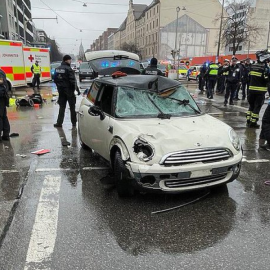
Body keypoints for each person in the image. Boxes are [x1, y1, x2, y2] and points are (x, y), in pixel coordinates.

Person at [53, 55, 81, 128]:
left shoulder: (57, 69)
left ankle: (59, 123)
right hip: (69, 91)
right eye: (70, 60)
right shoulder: (69, 69)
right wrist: (76, 90)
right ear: (67, 60)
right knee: (72, 107)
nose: (70, 61)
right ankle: (74, 123)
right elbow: (73, 81)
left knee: (62, 107)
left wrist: (59, 87)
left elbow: (55, 79)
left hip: (61, 91)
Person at [246, 50, 270, 128]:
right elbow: (267, 80)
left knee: (251, 106)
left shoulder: (252, 66)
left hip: (251, 90)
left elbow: (248, 78)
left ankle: (248, 120)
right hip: (260, 91)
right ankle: (253, 123)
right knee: (257, 107)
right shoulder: (265, 68)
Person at [0, 68, 10, 142]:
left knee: (1, 117)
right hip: (3, 98)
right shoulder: (2, 72)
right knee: (3, 116)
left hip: (1, 98)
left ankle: (4, 135)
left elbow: (2, 87)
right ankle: (6, 135)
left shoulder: (0, 73)